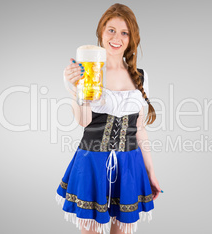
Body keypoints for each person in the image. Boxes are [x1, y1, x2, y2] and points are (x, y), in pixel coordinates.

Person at [56, 3, 161, 234]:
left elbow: (140, 129)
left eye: (124, 32)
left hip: (130, 166)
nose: (117, 37)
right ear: (100, 32)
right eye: (111, 30)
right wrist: (75, 89)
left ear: (131, 38)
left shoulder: (140, 76)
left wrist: (151, 171)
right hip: (92, 163)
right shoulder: (89, 72)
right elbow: (83, 122)